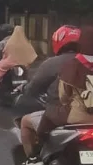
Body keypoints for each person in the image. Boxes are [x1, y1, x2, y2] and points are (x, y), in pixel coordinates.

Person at [18, 26, 93, 165]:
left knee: (34, 119)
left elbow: (63, 95)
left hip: (77, 115)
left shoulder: (70, 64)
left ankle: (34, 159)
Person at [18, 25, 81, 157]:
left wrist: (24, 89)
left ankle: (32, 160)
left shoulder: (53, 63)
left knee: (25, 121)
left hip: (65, 115)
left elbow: (34, 88)